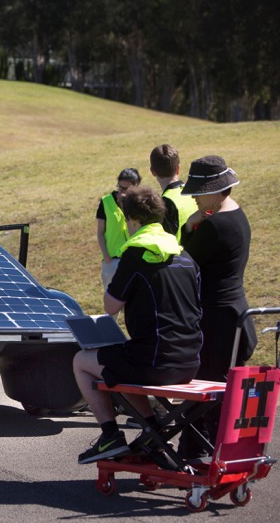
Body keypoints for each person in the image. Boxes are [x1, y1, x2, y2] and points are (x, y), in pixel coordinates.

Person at [74, 186, 202, 464]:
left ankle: (110, 435)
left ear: (131, 219)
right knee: (122, 360)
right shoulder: (184, 255)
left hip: (154, 363)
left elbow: (111, 307)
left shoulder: (136, 254)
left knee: (82, 361)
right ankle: (150, 430)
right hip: (190, 360)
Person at [178, 155, 256, 456]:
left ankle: (198, 453)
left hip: (217, 322)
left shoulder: (214, 226)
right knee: (219, 387)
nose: (195, 198)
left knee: (206, 388)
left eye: (199, 192)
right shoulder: (236, 215)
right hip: (234, 316)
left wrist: (187, 227)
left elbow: (184, 265)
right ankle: (214, 450)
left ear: (216, 189)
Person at [96, 168, 141, 289]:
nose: (122, 193)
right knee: (112, 300)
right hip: (112, 260)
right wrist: (107, 258)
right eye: (120, 187)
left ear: (136, 187)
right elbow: (100, 232)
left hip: (133, 259)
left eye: (126, 189)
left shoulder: (140, 204)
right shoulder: (106, 202)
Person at [149, 144, 197, 240]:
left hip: (180, 254)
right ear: (178, 169)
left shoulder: (165, 204)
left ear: (152, 172)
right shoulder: (193, 193)